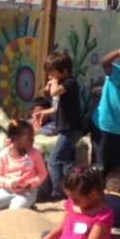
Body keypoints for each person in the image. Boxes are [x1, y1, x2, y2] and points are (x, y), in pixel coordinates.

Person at [0, 122, 48, 210]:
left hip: (27, 193)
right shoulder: (4, 154)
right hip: (6, 191)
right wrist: (10, 183)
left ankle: (27, 206)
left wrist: (31, 183)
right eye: (29, 138)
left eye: (33, 137)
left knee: (15, 209)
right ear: (17, 138)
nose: (32, 140)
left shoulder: (35, 153)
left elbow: (42, 173)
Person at [43, 52, 84, 198]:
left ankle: (57, 192)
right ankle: (72, 190)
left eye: (52, 74)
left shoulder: (70, 83)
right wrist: (45, 113)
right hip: (67, 129)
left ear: (65, 71)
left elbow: (54, 92)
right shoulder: (63, 85)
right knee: (66, 161)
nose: (50, 77)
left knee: (54, 160)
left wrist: (53, 83)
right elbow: (57, 106)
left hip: (70, 129)